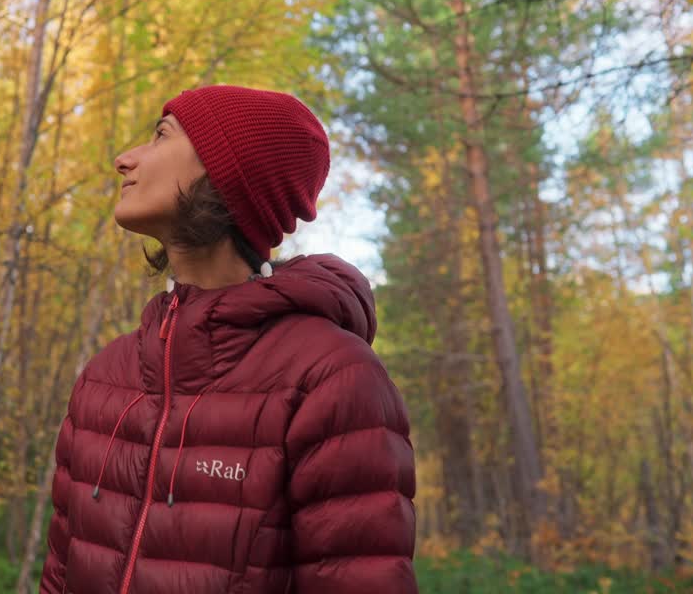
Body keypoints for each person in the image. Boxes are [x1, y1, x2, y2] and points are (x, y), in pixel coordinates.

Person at [39, 85, 417, 593]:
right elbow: (59, 576)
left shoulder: (329, 377)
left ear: (224, 173)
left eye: (160, 136)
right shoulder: (106, 376)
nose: (124, 159)